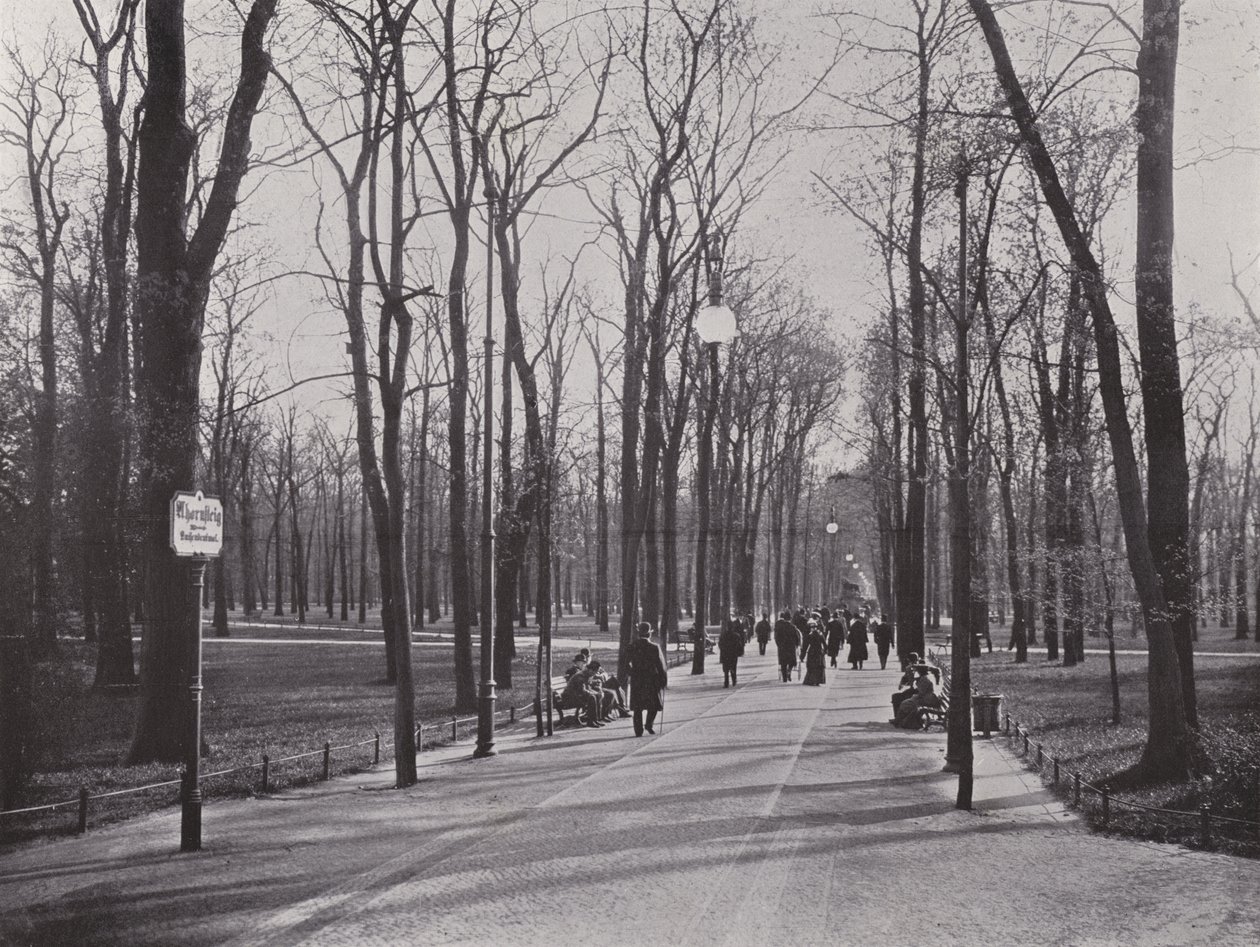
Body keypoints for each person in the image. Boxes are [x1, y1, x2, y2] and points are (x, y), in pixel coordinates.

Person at [625, 622, 668, 736]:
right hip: (651, 679)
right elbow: (661, 665)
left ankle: (638, 731)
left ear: (638, 633)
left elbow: (625, 663)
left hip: (637, 679)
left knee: (637, 707)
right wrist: (663, 679)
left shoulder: (632, 646)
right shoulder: (654, 647)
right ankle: (649, 724)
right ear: (649, 634)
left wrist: (632, 673)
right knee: (653, 705)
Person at [773, 610, 801, 683]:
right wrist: (796, 645)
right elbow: (797, 638)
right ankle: (789, 671)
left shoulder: (780, 627)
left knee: (783, 663)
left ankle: (784, 678)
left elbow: (776, 638)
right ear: (790, 619)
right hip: (791, 648)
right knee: (791, 662)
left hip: (782, 648)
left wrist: (779, 645)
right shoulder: (793, 627)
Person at [718, 617, 745, 688]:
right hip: (733, 654)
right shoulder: (736, 635)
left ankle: (726, 682)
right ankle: (734, 679)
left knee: (726, 669)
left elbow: (720, 644)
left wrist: (723, 650)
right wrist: (739, 652)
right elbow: (739, 645)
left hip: (725, 654)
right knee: (733, 667)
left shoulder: (723, 635)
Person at [801, 616, 827, 686]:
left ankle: (811, 680)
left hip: (812, 652)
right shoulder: (820, 634)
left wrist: (802, 657)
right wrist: (824, 652)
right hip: (819, 652)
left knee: (811, 666)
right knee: (819, 666)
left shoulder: (809, 635)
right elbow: (825, 645)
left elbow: (805, 647)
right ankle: (818, 680)